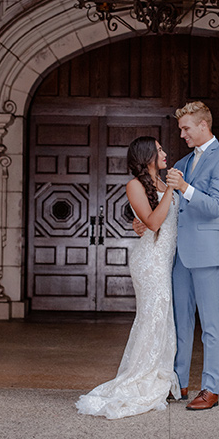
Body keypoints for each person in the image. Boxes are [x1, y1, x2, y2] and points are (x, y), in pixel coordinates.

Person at [137, 101, 219, 411]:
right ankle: (178, 382)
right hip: (179, 255)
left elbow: (216, 206)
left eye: (186, 129)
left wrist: (186, 187)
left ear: (203, 126)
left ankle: (210, 388)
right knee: (179, 322)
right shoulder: (182, 161)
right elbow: (169, 205)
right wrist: (145, 220)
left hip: (209, 253)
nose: (181, 134)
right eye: (181, 129)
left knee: (211, 325)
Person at [75, 136, 181, 419]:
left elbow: (158, 221)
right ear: (147, 155)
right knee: (152, 316)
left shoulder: (161, 183)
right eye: (159, 150)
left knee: (162, 316)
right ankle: (140, 376)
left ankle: (160, 373)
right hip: (150, 261)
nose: (165, 153)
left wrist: (167, 190)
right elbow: (154, 223)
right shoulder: (134, 185)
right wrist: (170, 191)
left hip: (166, 259)